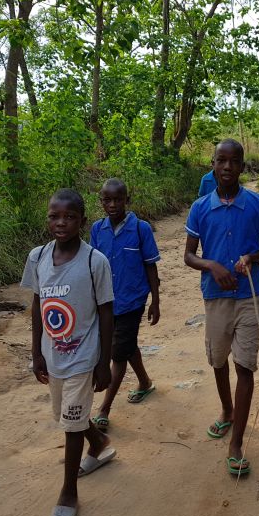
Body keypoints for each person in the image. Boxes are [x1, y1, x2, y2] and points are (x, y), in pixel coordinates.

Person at [21, 188, 116, 516]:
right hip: (53, 354)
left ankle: (68, 494)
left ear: (82, 221)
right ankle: (100, 443)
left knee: (70, 423)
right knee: (69, 415)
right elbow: (37, 305)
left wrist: (103, 361)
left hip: (83, 357)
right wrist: (36, 353)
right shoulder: (38, 257)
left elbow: (107, 313)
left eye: (69, 217)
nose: (61, 223)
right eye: (54, 216)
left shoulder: (95, 262)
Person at [184, 138, 259, 476]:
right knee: (218, 360)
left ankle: (236, 442)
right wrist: (212, 265)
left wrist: (251, 256)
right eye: (220, 161)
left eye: (233, 161)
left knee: (245, 366)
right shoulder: (200, 207)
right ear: (213, 163)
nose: (226, 167)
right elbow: (189, 255)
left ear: (242, 165)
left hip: (250, 296)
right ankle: (227, 410)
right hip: (215, 296)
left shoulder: (258, 204)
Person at [89, 178, 161, 431]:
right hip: (106, 302)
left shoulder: (141, 229)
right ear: (101, 202)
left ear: (127, 200)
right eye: (107, 200)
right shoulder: (97, 230)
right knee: (126, 345)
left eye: (117, 199)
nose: (112, 204)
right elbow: (93, 268)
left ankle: (104, 409)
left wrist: (156, 301)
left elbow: (150, 266)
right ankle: (144, 382)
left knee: (118, 352)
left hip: (132, 300)